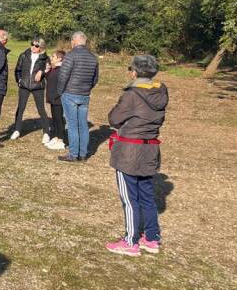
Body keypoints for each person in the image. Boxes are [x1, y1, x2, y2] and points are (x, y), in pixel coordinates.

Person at [105, 54, 169, 257]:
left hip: (129, 152)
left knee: (129, 197)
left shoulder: (131, 95)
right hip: (149, 149)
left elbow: (114, 118)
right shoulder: (161, 92)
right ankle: (151, 237)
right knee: (147, 196)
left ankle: (130, 240)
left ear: (134, 72)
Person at [56, 31, 100, 163]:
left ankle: (73, 154)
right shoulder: (93, 57)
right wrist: (87, 89)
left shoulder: (70, 55)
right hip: (84, 95)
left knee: (72, 125)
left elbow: (63, 76)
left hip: (70, 94)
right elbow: (95, 79)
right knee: (83, 125)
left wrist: (60, 91)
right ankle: (83, 154)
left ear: (74, 41)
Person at [10, 38, 50, 141]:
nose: (33, 47)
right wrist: (19, 80)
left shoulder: (45, 58)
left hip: (37, 86)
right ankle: (17, 130)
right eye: (32, 44)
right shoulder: (23, 55)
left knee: (41, 109)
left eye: (36, 46)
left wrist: (42, 72)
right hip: (24, 86)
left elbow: (49, 70)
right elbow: (17, 70)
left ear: (41, 47)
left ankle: (46, 132)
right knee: (21, 108)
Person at [43, 50, 67, 151]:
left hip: (58, 100)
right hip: (53, 99)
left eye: (53, 57)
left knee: (59, 119)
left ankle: (61, 141)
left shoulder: (62, 70)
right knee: (55, 119)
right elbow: (49, 79)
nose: (51, 58)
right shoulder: (54, 69)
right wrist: (47, 70)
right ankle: (56, 137)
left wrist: (57, 96)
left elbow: (63, 85)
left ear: (59, 58)